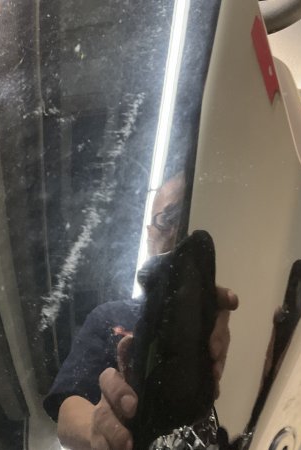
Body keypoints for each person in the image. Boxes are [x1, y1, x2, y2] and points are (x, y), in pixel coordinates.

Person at [43, 173, 238, 449]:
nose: (178, 228)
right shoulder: (109, 316)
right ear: (149, 235)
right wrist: (100, 427)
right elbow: (67, 409)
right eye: (168, 218)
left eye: (185, 216)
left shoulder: (206, 313)